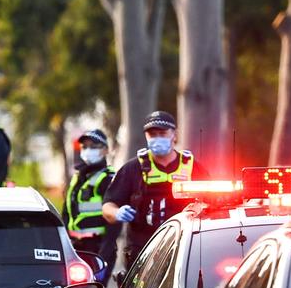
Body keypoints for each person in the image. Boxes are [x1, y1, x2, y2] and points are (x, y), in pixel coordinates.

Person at [101, 111, 207, 267]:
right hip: (141, 251)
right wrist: (117, 213)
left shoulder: (193, 168)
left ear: (174, 135)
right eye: (152, 134)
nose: (157, 138)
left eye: (162, 133)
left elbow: (213, 201)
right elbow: (107, 207)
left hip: (184, 248)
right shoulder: (133, 168)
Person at [62, 129, 115, 256]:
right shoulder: (78, 177)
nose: (88, 151)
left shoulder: (107, 178)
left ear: (105, 150)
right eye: (84, 147)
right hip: (75, 246)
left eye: (93, 147)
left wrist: (105, 250)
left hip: (97, 247)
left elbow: (113, 220)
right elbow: (67, 212)